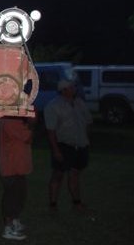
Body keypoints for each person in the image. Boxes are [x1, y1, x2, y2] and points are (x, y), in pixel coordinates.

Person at [44, 78, 92, 211]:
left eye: (73, 87)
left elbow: (88, 121)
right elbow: (51, 131)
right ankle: (53, 204)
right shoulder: (53, 106)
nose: (74, 89)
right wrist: (56, 150)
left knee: (75, 174)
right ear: (64, 90)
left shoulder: (79, 103)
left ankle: (77, 203)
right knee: (58, 175)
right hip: (64, 145)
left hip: (80, 145)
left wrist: (86, 138)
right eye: (71, 87)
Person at [0, 116, 33, 241]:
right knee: (12, 198)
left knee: (19, 196)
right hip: (12, 166)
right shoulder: (11, 120)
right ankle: (8, 228)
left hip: (16, 165)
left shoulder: (10, 118)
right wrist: (31, 123)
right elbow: (28, 137)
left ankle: (14, 222)